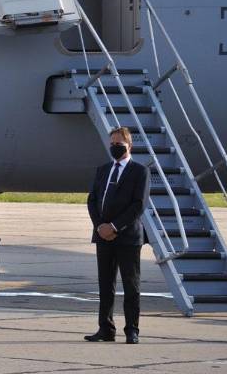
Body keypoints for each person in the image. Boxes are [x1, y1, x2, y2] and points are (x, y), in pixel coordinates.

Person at [85, 127, 150, 344]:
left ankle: (132, 329)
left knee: (131, 285)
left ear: (129, 145)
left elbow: (138, 206)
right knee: (106, 284)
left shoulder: (139, 171)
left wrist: (113, 226)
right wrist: (100, 227)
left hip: (127, 237)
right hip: (103, 236)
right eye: (112, 144)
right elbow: (92, 200)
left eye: (119, 143)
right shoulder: (103, 170)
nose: (115, 147)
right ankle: (106, 328)